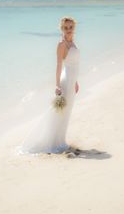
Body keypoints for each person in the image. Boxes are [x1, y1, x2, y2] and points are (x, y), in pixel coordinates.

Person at [16, 16, 80, 155]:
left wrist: (75, 82)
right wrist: (57, 86)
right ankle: (50, 142)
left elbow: (73, 64)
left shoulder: (72, 42)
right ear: (61, 29)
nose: (68, 30)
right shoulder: (62, 44)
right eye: (66, 27)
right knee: (58, 112)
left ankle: (60, 141)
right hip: (65, 82)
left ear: (74, 28)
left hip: (72, 82)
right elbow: (59, 65)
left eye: (71, 27)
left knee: (66, 113)